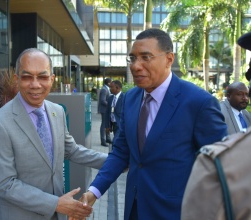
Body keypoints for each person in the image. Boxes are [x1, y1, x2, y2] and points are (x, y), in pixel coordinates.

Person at [78, 28, 227, 220]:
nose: (136, 66)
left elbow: (220, 168)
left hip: (177, 213)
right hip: (134, 209)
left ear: (169, 59)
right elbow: (121, 152)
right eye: (132, 58)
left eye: (145, 57)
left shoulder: (199, 103)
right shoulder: (130, 98)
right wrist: (94, 191)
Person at [0, 48, 107, 220]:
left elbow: (71, 150)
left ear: (52, 79)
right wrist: (56, 204)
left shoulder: (57, 111)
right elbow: (5, 184)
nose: (35, 84)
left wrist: (117, 162)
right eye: (27, 77)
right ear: (16, 79)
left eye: (42, 77)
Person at [181, 29, 251, 220]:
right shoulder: (216, 112)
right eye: (239, 94)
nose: (244, 97)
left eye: (245, 92)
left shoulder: (216, 167)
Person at [105, 80, 124, 146]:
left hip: (120, 124)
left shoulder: (124, 98)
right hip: (113, 124)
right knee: (118, 141)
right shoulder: (110, 98)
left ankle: (113, 155)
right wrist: (107, 126)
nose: (110, 89)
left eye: (111, 87)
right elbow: (107, 113)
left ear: (117, 88)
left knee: (115, 141)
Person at [98, 77, 112, 146]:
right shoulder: (104, 89)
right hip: (104, 110)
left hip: (106, 110)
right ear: (108, 83)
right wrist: (110, 104)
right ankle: (103, 141)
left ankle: (108, 138)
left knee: (107, 124)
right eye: (111, 82)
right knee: (103, 125)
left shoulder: (107, 89)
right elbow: (102, 100)